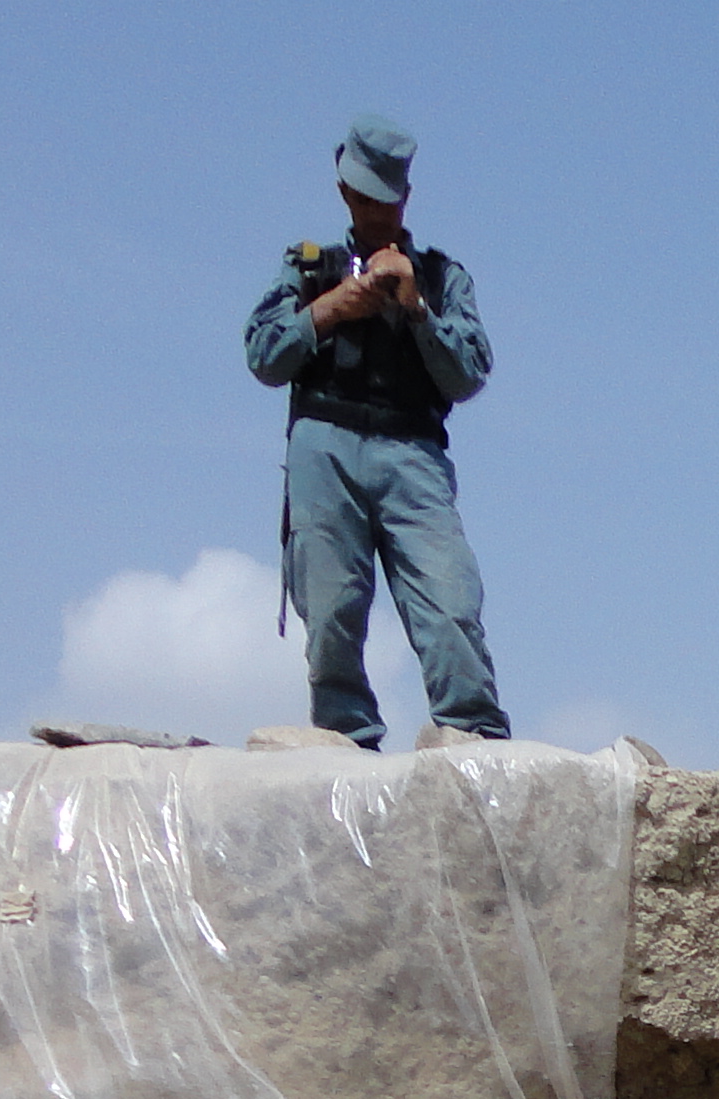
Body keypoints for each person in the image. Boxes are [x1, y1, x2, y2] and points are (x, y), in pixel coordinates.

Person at [240, 113, 508, 750]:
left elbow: (469, 374)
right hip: (325, 444)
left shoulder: (443, 278)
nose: (374, 210)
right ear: (344, 193)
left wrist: (414, 308)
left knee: (449, 605)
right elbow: (264, 356)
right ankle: (345, 737)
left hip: (411, 452)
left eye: (384, 199)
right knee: (331, 609)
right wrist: (332, 307)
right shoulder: (308, 268)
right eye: (362, 197)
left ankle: (471, 732)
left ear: (403, 198)